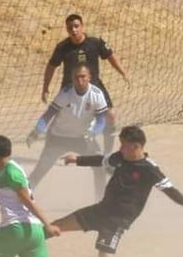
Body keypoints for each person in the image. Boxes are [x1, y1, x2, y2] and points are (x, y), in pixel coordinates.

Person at [54, 125, 183, 257]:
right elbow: (102, 160)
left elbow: (168, 189)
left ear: (136, 146)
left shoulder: (149, 169)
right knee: (53, 226)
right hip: (100, 211)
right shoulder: (120, 157)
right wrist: (78, 159)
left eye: (124, 145)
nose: (121, 149)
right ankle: (33, 255)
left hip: (115, 222)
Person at [42, 13, 130, 154]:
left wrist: (123, 73)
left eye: (76, 26)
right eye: (70, 27)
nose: (74, 30)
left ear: (82, 27)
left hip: (94, 85)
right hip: (70, 88)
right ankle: (49, 151)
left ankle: (107, 154)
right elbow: (51, 66)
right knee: (56, 119)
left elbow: (111, 56)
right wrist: (45, 87)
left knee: (110, 116)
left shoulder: (95, 43)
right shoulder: (62, 47)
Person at [27, 63, 110, 200]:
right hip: (59, 137)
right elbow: (48, 115)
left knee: (99, 167)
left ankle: (100, 200)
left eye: (83, 77)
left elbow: (101, 121)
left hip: (83, 138)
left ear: (89, 77)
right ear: (71, 78)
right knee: (41, 168)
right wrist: (37, 131)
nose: (79, 80)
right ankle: (21, 198)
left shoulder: (97, 94)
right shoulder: (65, 94)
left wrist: (93, 133)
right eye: (76, 77)